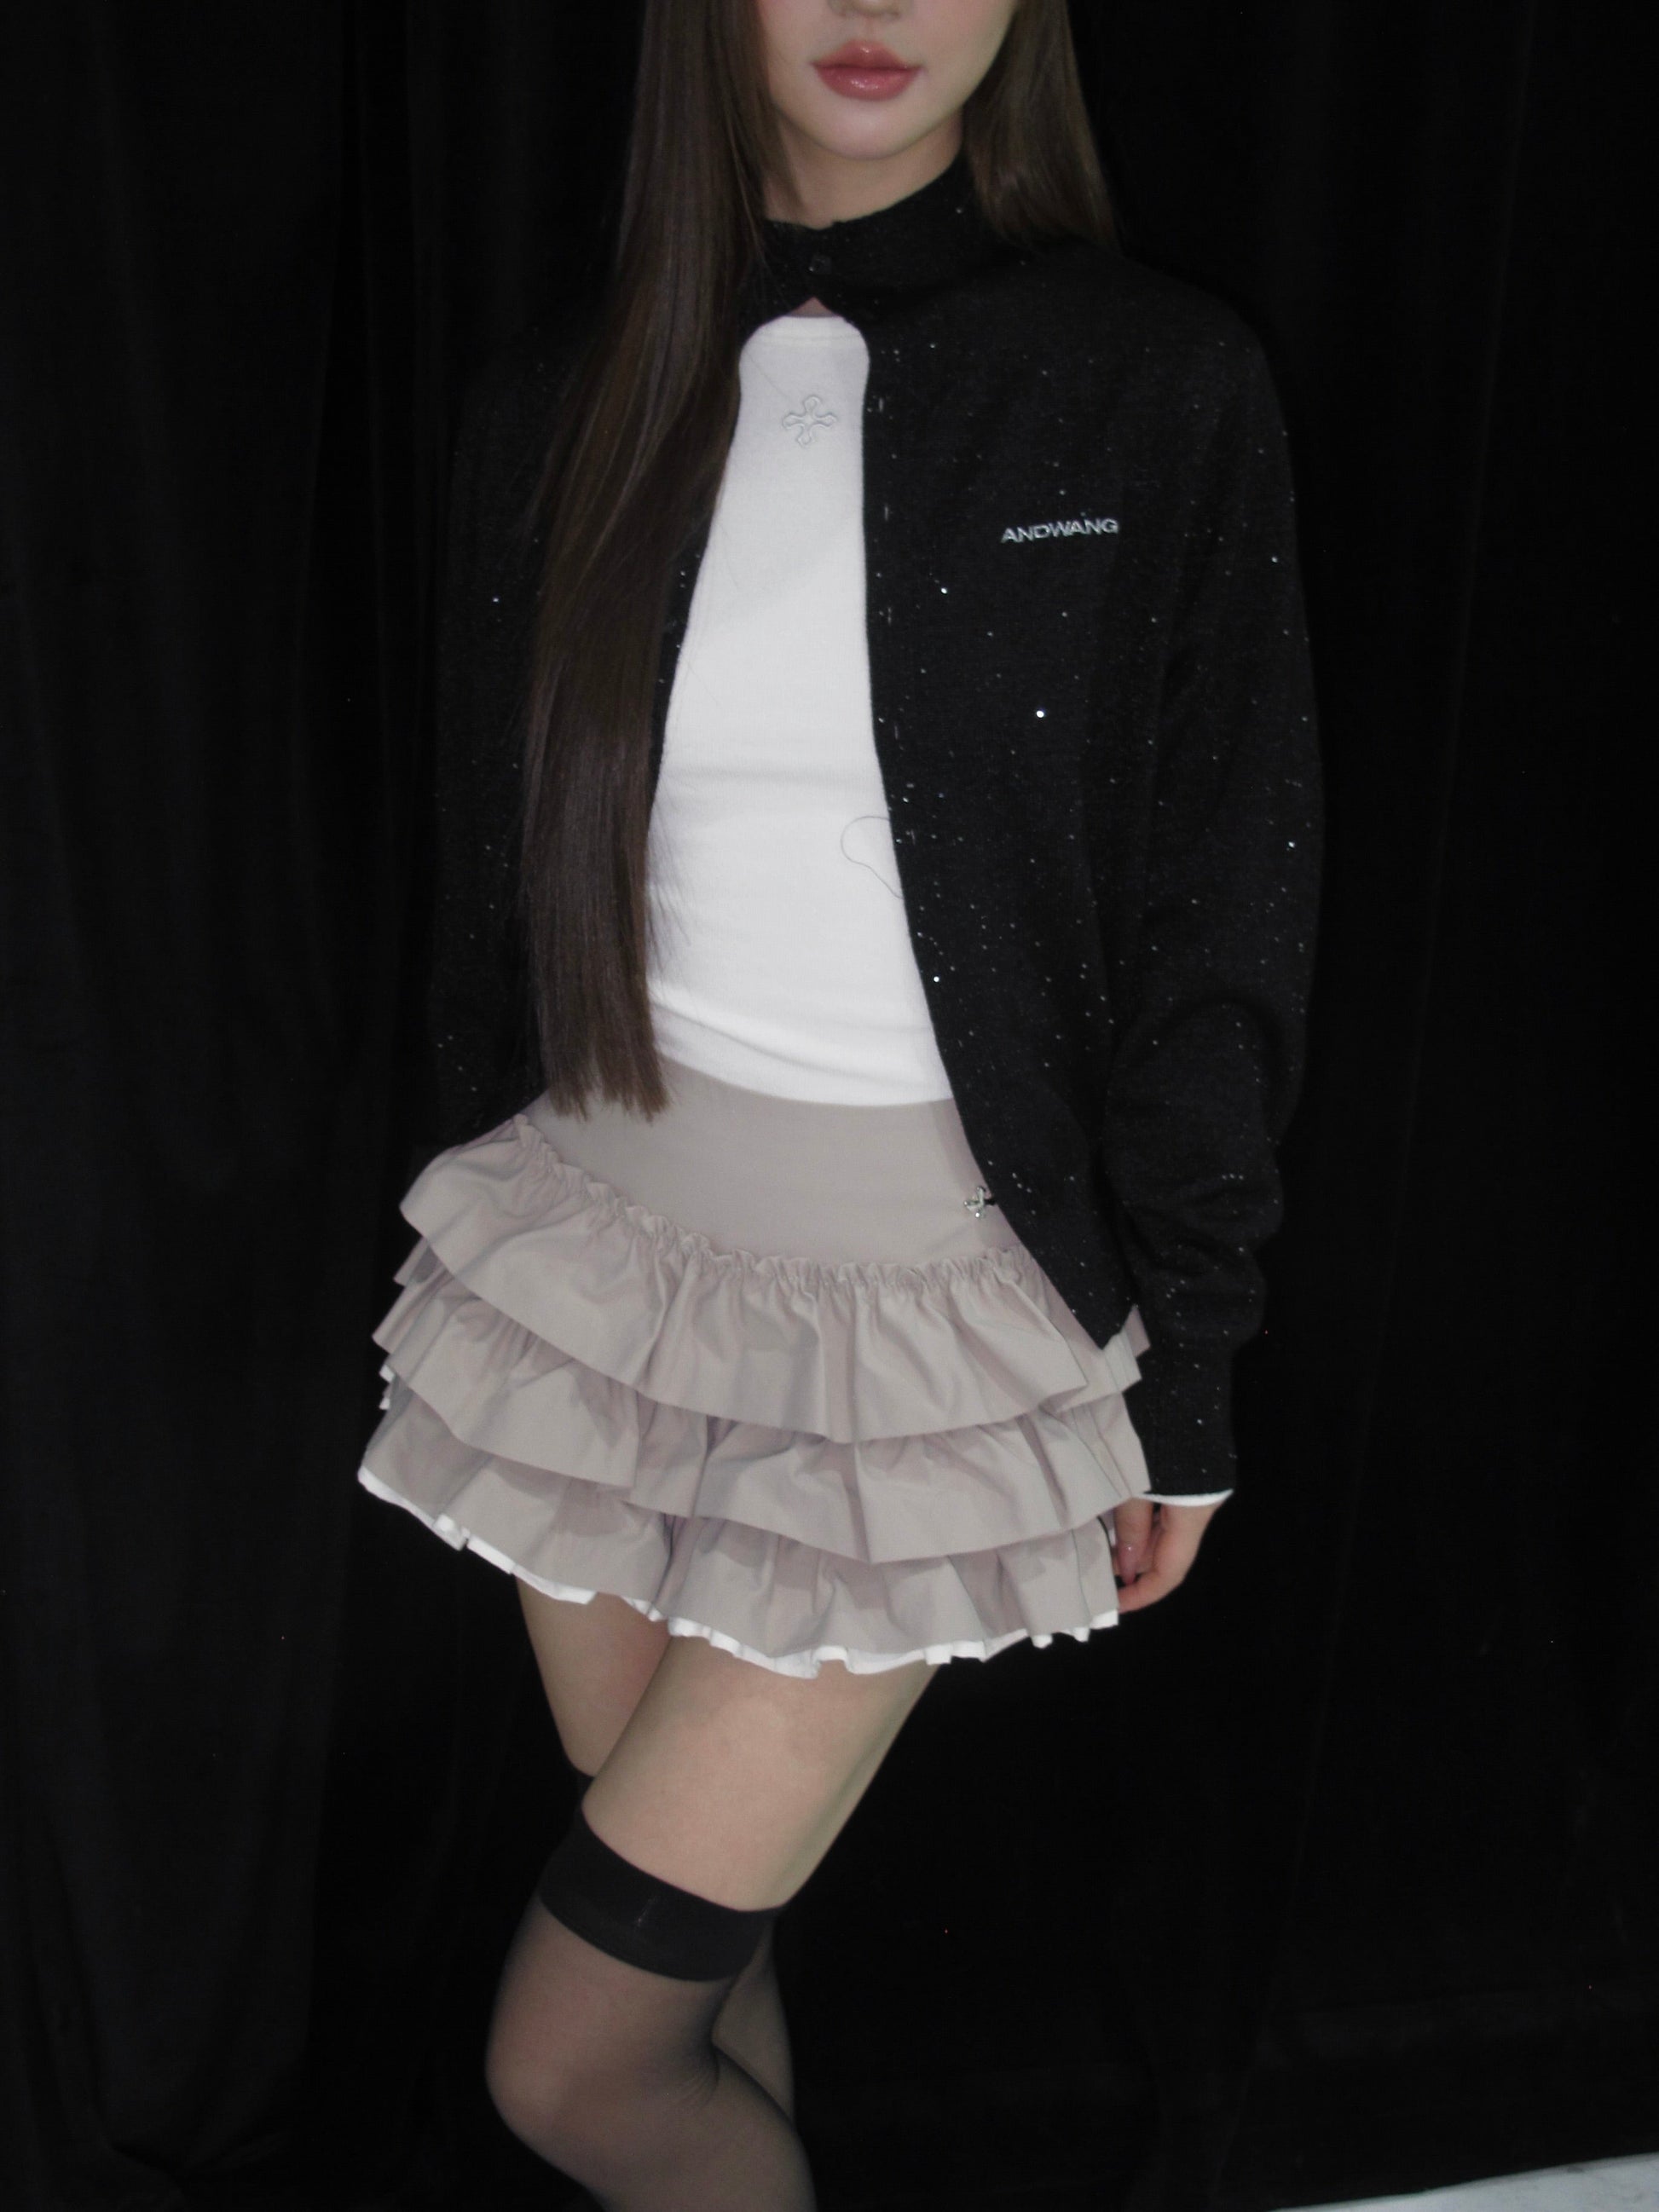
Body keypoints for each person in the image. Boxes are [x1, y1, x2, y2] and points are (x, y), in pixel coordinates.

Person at [356, 0, 1321, 2202]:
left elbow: (1223, 907)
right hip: (597, 1279)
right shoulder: (559, 401)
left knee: (574, 2066)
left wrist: (1190, 1359)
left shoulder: (1154, 387)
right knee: (696, 1983)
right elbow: (492, 898)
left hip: (919, 1329)